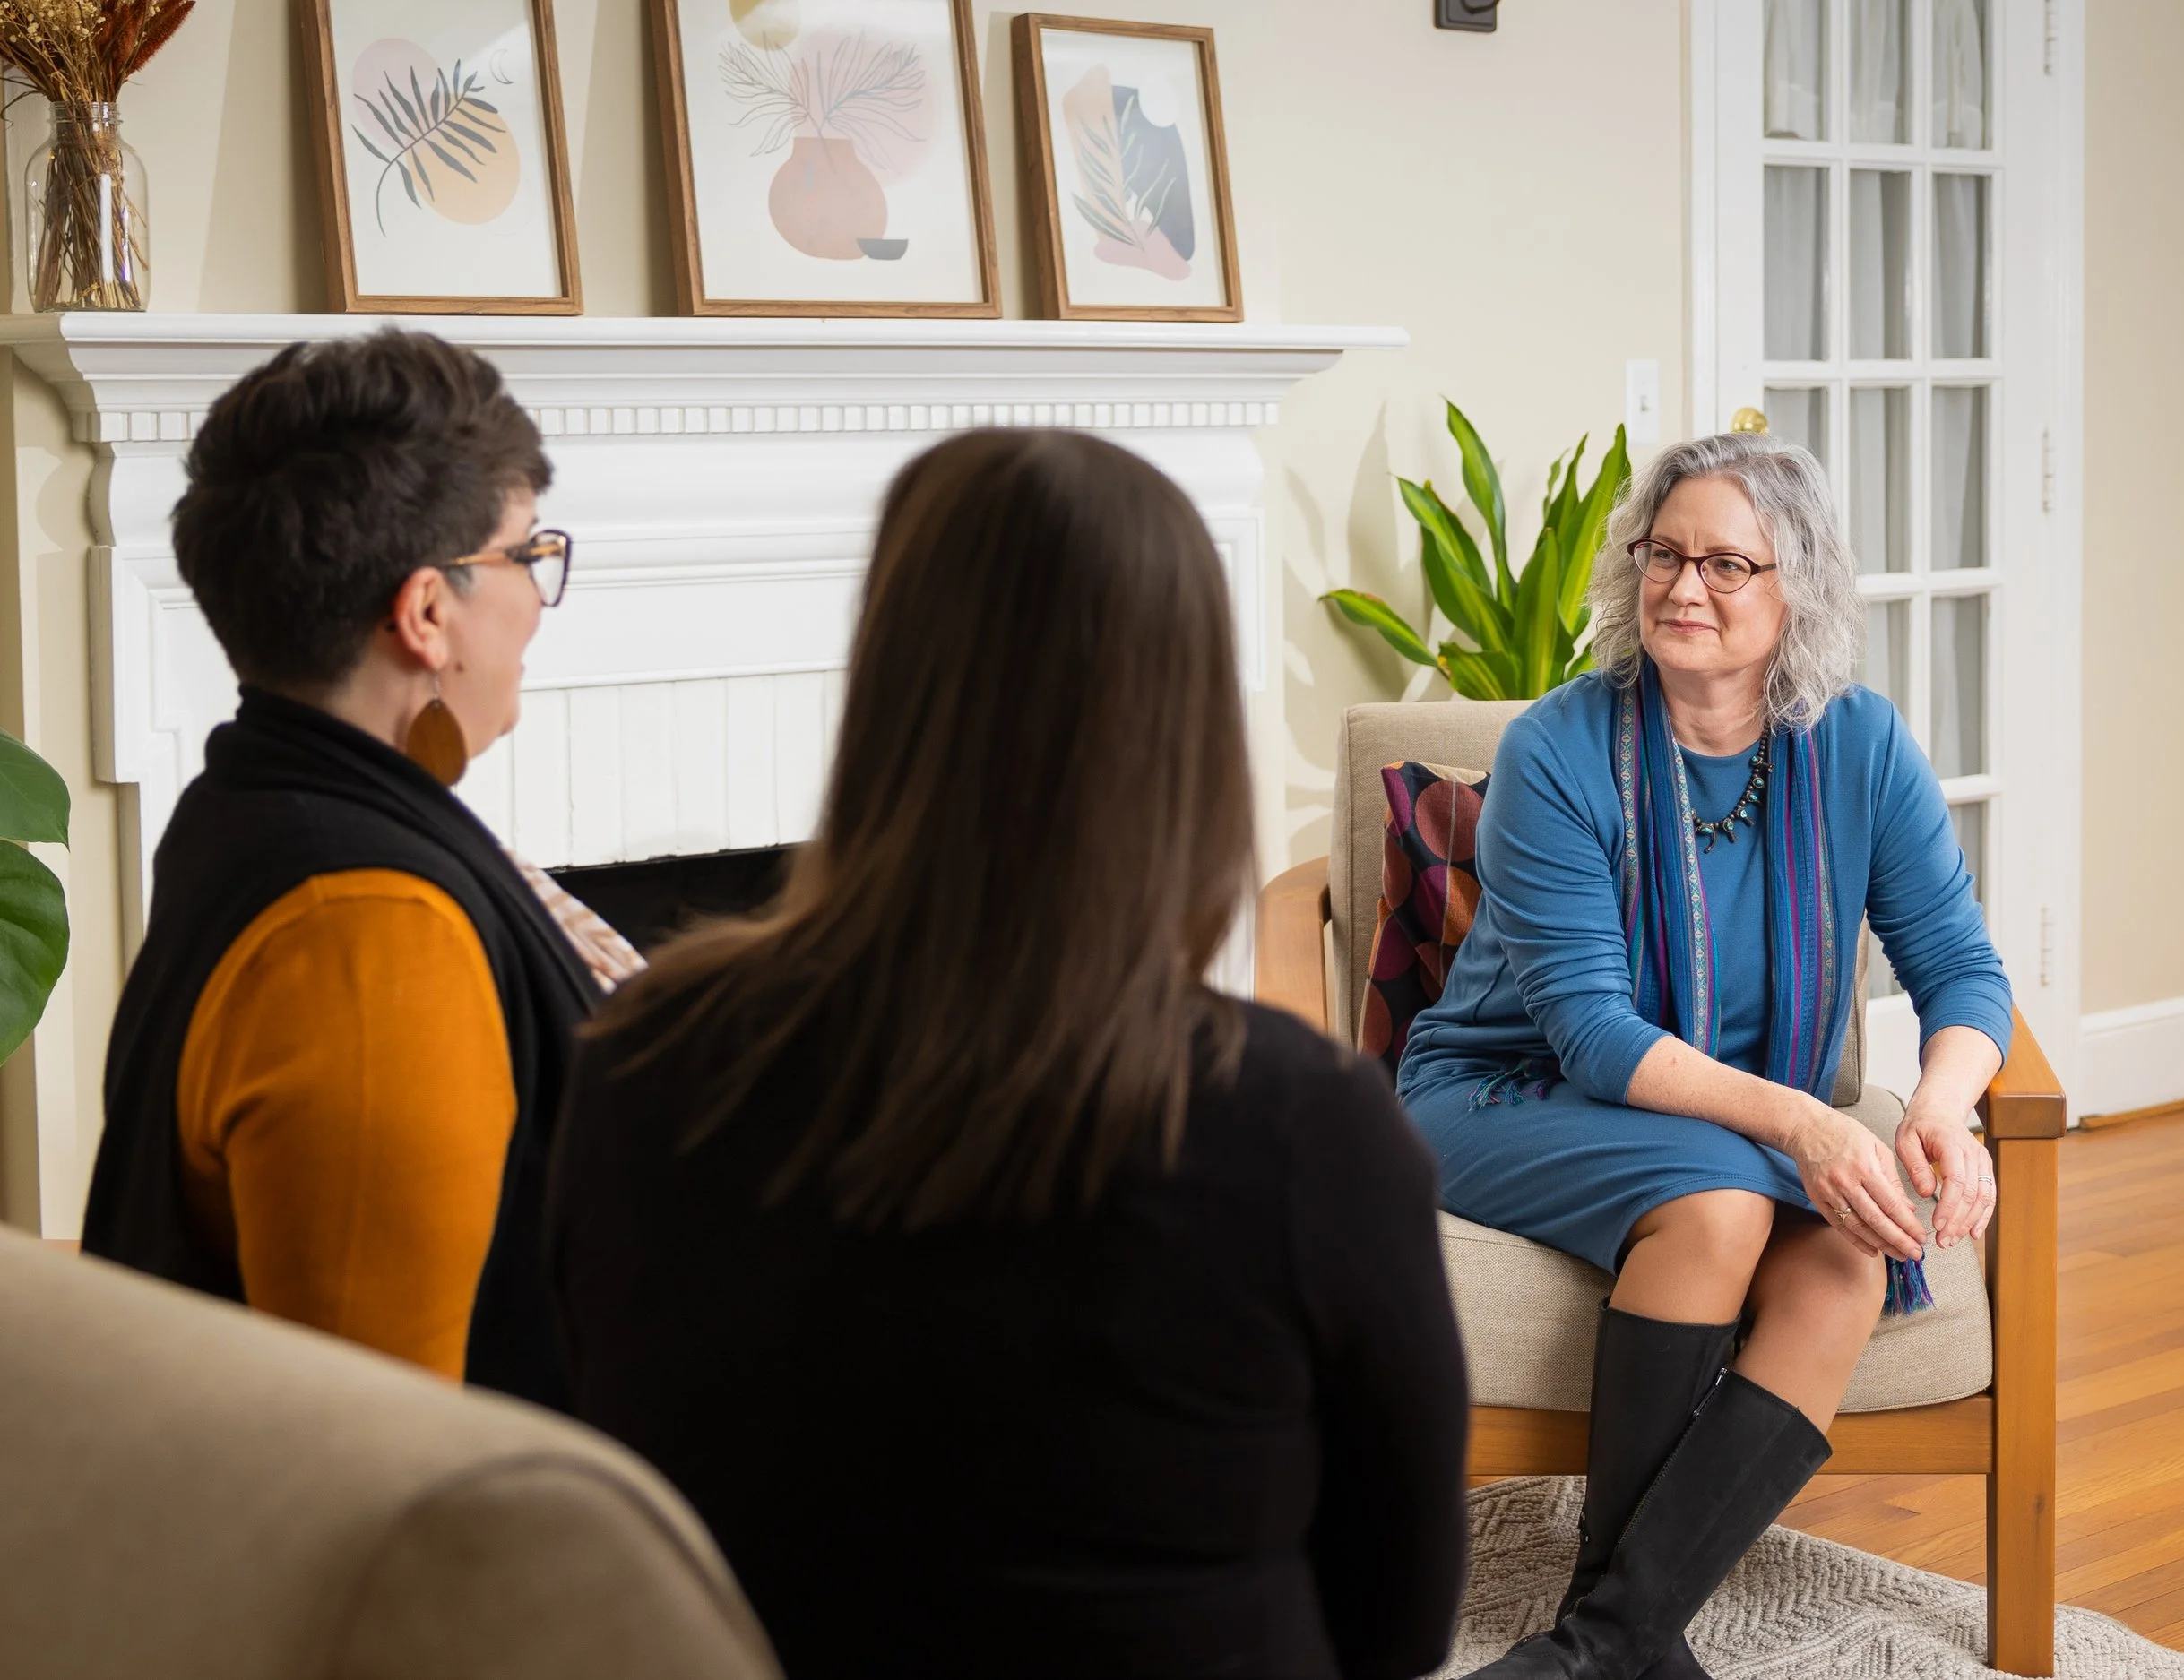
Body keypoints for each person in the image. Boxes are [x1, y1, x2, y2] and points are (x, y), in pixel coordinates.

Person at [550, 428, 1470, 1680]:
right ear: (1185, 730)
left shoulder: (639, 1058)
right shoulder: (1306, 1121)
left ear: (890, 684)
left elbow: (597, 1487)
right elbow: (1401, 1619)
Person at [1397, 432, 2012, 1680]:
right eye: (1666, 552)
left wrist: (1942, 1105)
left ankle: (1603, 1641)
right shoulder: (1560, 749)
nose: (1685, 586)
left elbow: (1963, 971)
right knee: (1723, 1200)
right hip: (1509, 1088)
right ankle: (1623, 1642)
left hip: (1722, 1115)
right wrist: (1810, 1122)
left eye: (1730, 562)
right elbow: (1594, 1032)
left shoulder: (1861, 745)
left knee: (1854, 1247)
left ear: (1802, 589)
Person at [84, 330, 641, 1408]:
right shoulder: (367, 936)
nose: (538, 599)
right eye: (527, 555)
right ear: (428, 613)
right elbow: (385, 1460)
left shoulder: (250, 808)